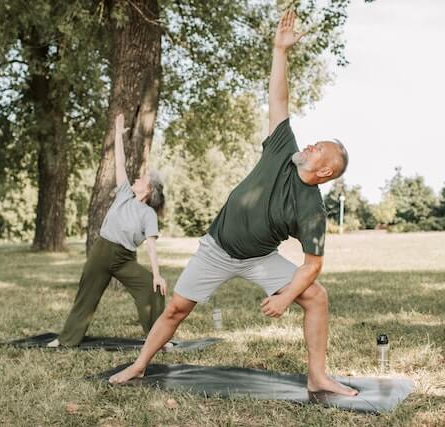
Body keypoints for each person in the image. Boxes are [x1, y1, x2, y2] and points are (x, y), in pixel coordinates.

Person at [109, 10, 356, 397]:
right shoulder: (283, 149)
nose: (310, 145)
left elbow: (313, 265)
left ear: (324, 172)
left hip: (258, 257)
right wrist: (280, 51)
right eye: (314, 141)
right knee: (176, 309)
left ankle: (318, 376)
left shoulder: (312, 209)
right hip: (217, 248)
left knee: (316, 297)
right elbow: (279, 97)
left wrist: (286, 296)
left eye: (318, 148)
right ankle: (139, 366)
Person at [48, 113, 167, 347]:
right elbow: (120, 162)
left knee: (153, 289)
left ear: (148, 189)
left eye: (142, 179)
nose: (136, 178)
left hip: (124, 258)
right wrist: (117, 133)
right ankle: (66, 340)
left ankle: (158, 340)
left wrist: (156, 274)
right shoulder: (124, 192)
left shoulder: (148, 214)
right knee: (86, 296)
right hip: (102, 252)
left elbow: (151, 247)